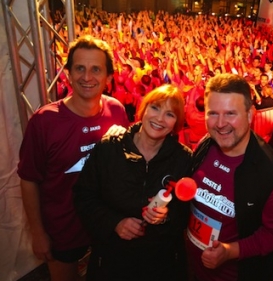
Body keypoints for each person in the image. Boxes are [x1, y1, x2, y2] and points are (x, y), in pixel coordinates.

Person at [17, 35, 130, 281]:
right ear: (67, 73)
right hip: (62, 230)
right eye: (79, 68)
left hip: (104, 225)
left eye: (96, 70)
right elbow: (28, 179)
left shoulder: (116, 111)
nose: (87, 77)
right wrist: (37, 232)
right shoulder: (44, 121)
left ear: (109, 77)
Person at [73, 85, 191, 280]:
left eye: (170, 114)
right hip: (112, 261)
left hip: (161, 264)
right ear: (143, 110)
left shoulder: (183, 159)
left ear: (176, 123)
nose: (160, 119)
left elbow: (187, 212)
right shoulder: (109, 148)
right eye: (155, 108)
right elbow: (83, 196)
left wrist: (166, 216)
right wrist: (115, 222)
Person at [186, 73, 273, 281]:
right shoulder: (205, 144)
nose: (220, 123)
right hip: (190, 269)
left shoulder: (272, 174)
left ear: (250, 115)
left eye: (230, 114)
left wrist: (229, 251)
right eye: (213, 113)